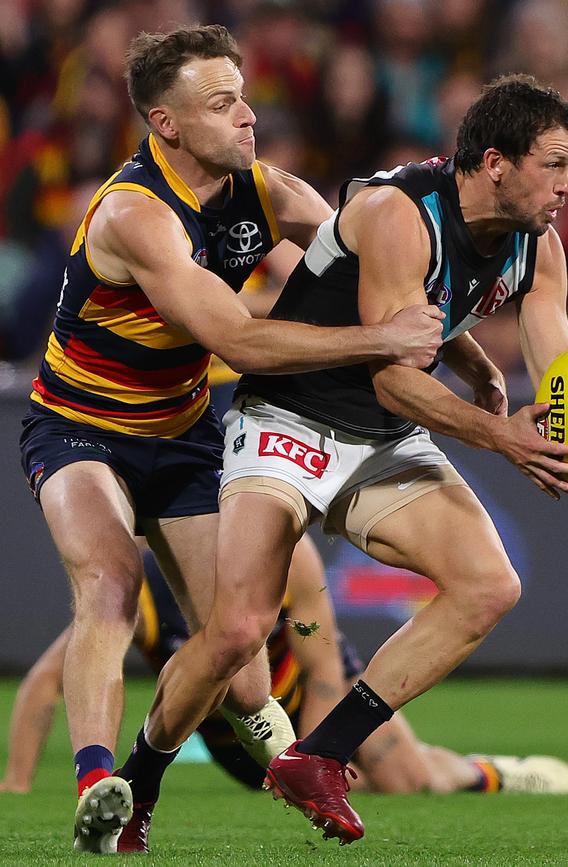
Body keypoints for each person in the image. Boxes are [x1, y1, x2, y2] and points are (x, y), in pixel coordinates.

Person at [119, 73, 568, 846]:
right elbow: (394, 376)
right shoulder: (403, 213)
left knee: (489, 584)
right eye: (555, 164)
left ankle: (319, 753)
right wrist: (502, 435)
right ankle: (138, 782)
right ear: (495, 162)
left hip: (376, 440)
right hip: (286, 418)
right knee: (237, 633)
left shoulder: (540, 247)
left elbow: (560, 372)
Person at [18, 23, 446, 854]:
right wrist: (381, 341)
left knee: (243, 647)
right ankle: (99, 784)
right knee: (107, 580)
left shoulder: (269, 191)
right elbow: (239, 343)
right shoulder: (135, 214)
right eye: (222, 103)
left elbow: (367, 262)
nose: (247, 115)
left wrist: (451, 332)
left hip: (181, 432)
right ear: (166, 123)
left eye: (244, 94)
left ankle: (284, 763)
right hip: (80, 428)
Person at [0, 535, 568, 825]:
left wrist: (312, 760)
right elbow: (46, 681)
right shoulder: (142, 583)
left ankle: (492, 773)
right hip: (235, 737)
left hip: (317, 700)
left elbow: (324, 667)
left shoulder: (278, 551)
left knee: (409, 781)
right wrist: (17, 786)